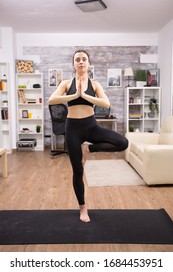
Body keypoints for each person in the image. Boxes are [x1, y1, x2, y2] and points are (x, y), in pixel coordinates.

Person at [48, 50, 128, 223]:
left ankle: (89, 148)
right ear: (73, 64)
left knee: (122, 142)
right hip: (73, 129)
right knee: (78, 170)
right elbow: (51, 100)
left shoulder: (95, 84)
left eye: (84, 59)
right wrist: (74, 96)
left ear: (89, 63)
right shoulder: (66, 83)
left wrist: (84, 96)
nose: (81, 62)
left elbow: (106, 104)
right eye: (77, 59)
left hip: (91, 126)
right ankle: (83, 208)